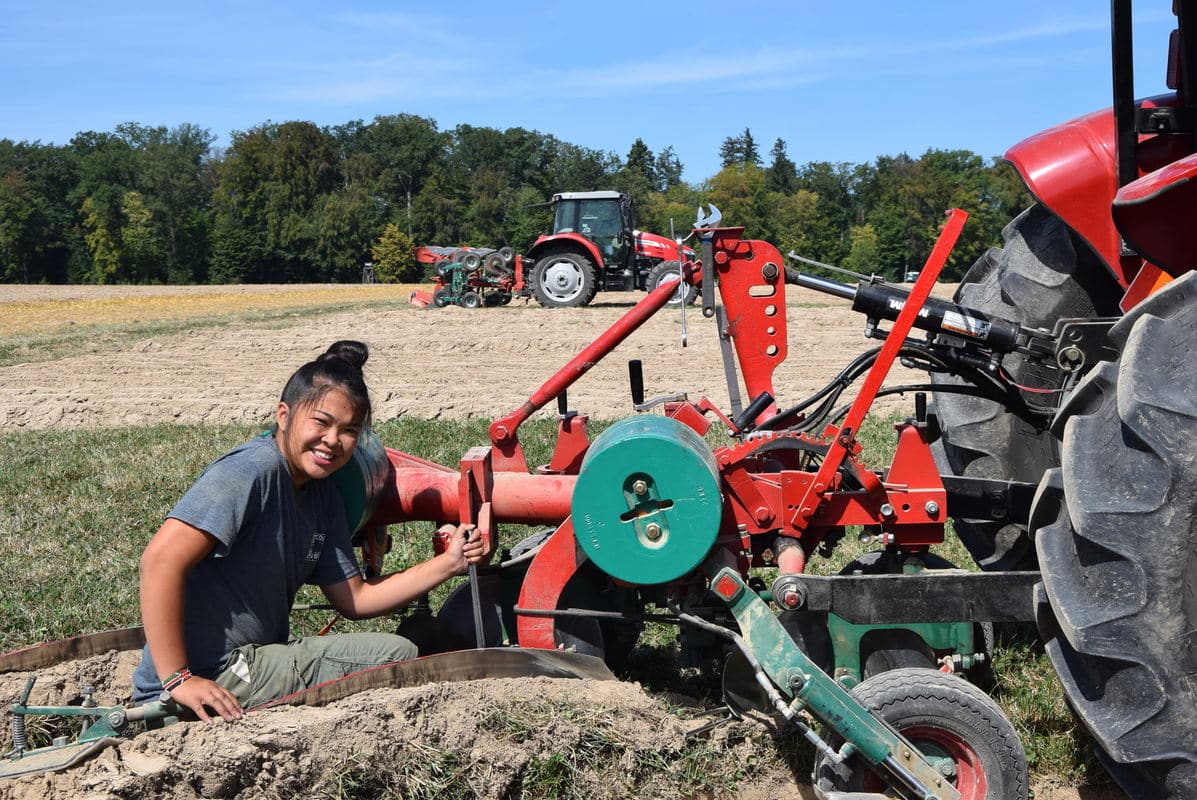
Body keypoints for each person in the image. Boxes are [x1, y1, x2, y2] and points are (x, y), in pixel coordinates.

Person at [132, 340, 485, 721]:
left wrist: (450, 563)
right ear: (284, 415)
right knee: (400, 655)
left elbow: (355, 600)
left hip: (253, 658)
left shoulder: (322, 493)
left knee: (415, 642)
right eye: (321, 422)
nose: (333, 440)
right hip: (211, 674)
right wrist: (178, 679)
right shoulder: (250, 472)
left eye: (349, 430)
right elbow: (159, 561)